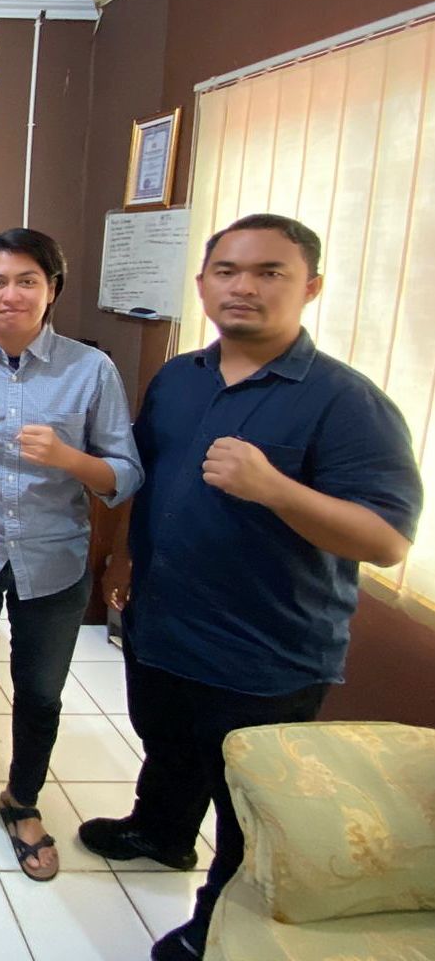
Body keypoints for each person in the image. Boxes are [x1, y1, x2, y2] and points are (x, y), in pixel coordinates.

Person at [77, 213, 423, 961]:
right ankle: (160, 832)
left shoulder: (344, 401)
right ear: (202, 284)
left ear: (311, 288)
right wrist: (122, 561)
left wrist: (275, 489)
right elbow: (144, 478)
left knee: (249, 805)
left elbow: (386, 540)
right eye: (228, 271)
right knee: (167, 746)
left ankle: (216, 928)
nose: (244, 287)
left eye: (270, 272)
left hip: (266, 649)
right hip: (163, 623)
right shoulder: (179, 378)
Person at [0, 228, 142, 880]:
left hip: (53, 556)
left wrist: (69, 458)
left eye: (26, 281)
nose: (10, 295)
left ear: (52, 290)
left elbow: (125, 474)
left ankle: (22, 799)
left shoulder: (89, 370)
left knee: (40, 691)